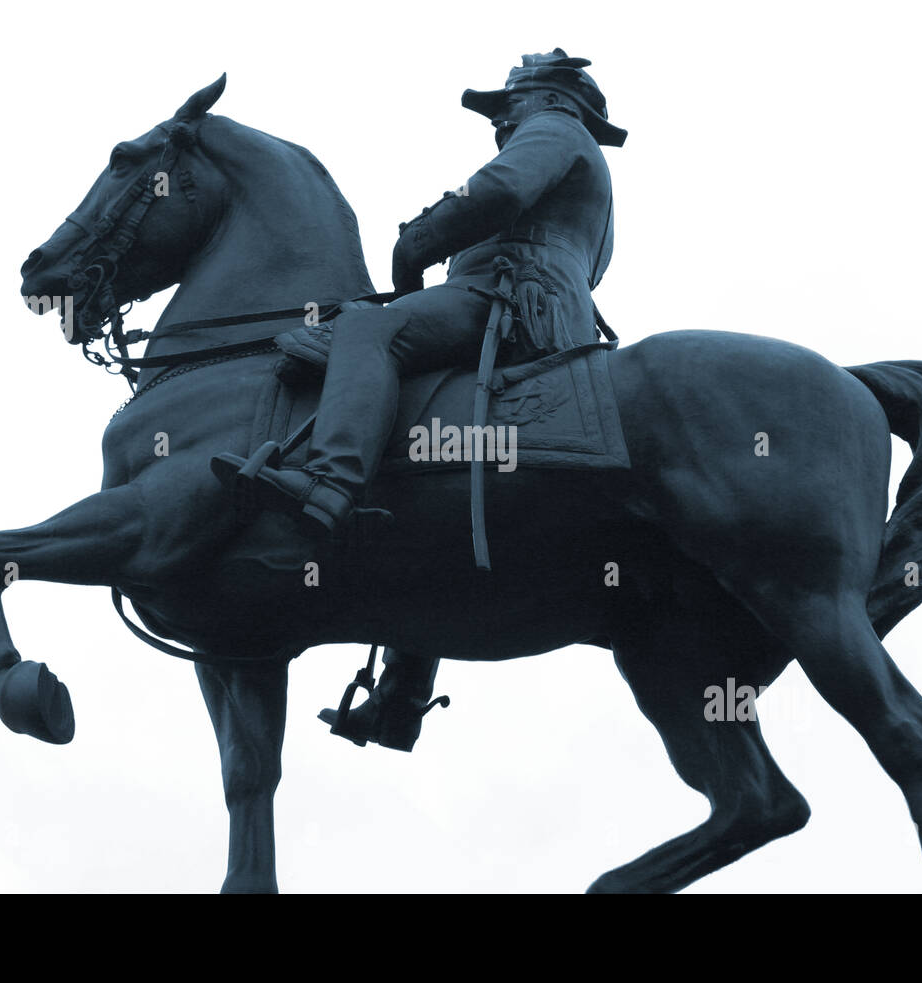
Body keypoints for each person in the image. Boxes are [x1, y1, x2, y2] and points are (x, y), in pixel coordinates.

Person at [214, 48, 626, 749]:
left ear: (546, 99)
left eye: (507, 109)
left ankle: (326, 486)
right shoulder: (578, 150)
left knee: (369, 329)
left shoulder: (556, 130)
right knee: (417, 439)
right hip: (527, 303)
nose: (502, 123)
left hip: (509, 298)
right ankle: (400, 696)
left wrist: (416, 241)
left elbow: (496, 191)